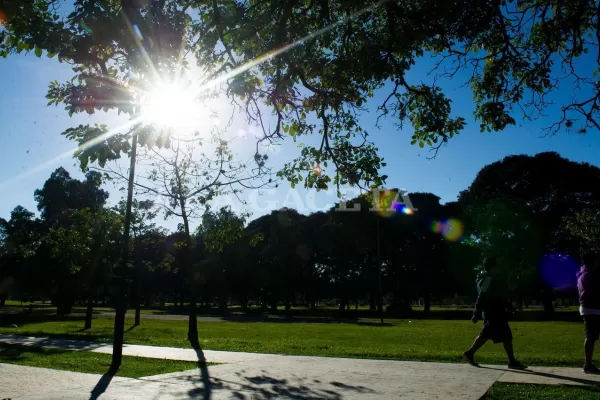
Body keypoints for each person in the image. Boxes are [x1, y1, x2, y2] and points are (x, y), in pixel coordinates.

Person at [463, 257, 526, 369]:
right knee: (498, 335)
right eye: (497, 265)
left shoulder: (491, 278)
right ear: (493, 267)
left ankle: (470, 353)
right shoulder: (487, 279)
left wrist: (509, 305)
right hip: (493, 313)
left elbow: (500, 295)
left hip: (496, 312)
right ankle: (511, 361)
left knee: (496, 335)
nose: (499, 268)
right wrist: (476, 313)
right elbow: (481, 296)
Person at [577, 251, 600, 374]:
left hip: (590, 309)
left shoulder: (584, 274)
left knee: (591, 336)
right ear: (591, 262)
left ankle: (588, 364)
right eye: (596, 260)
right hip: (592, 310)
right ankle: (588, 365)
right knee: (591, 337)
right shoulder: (589, 276)